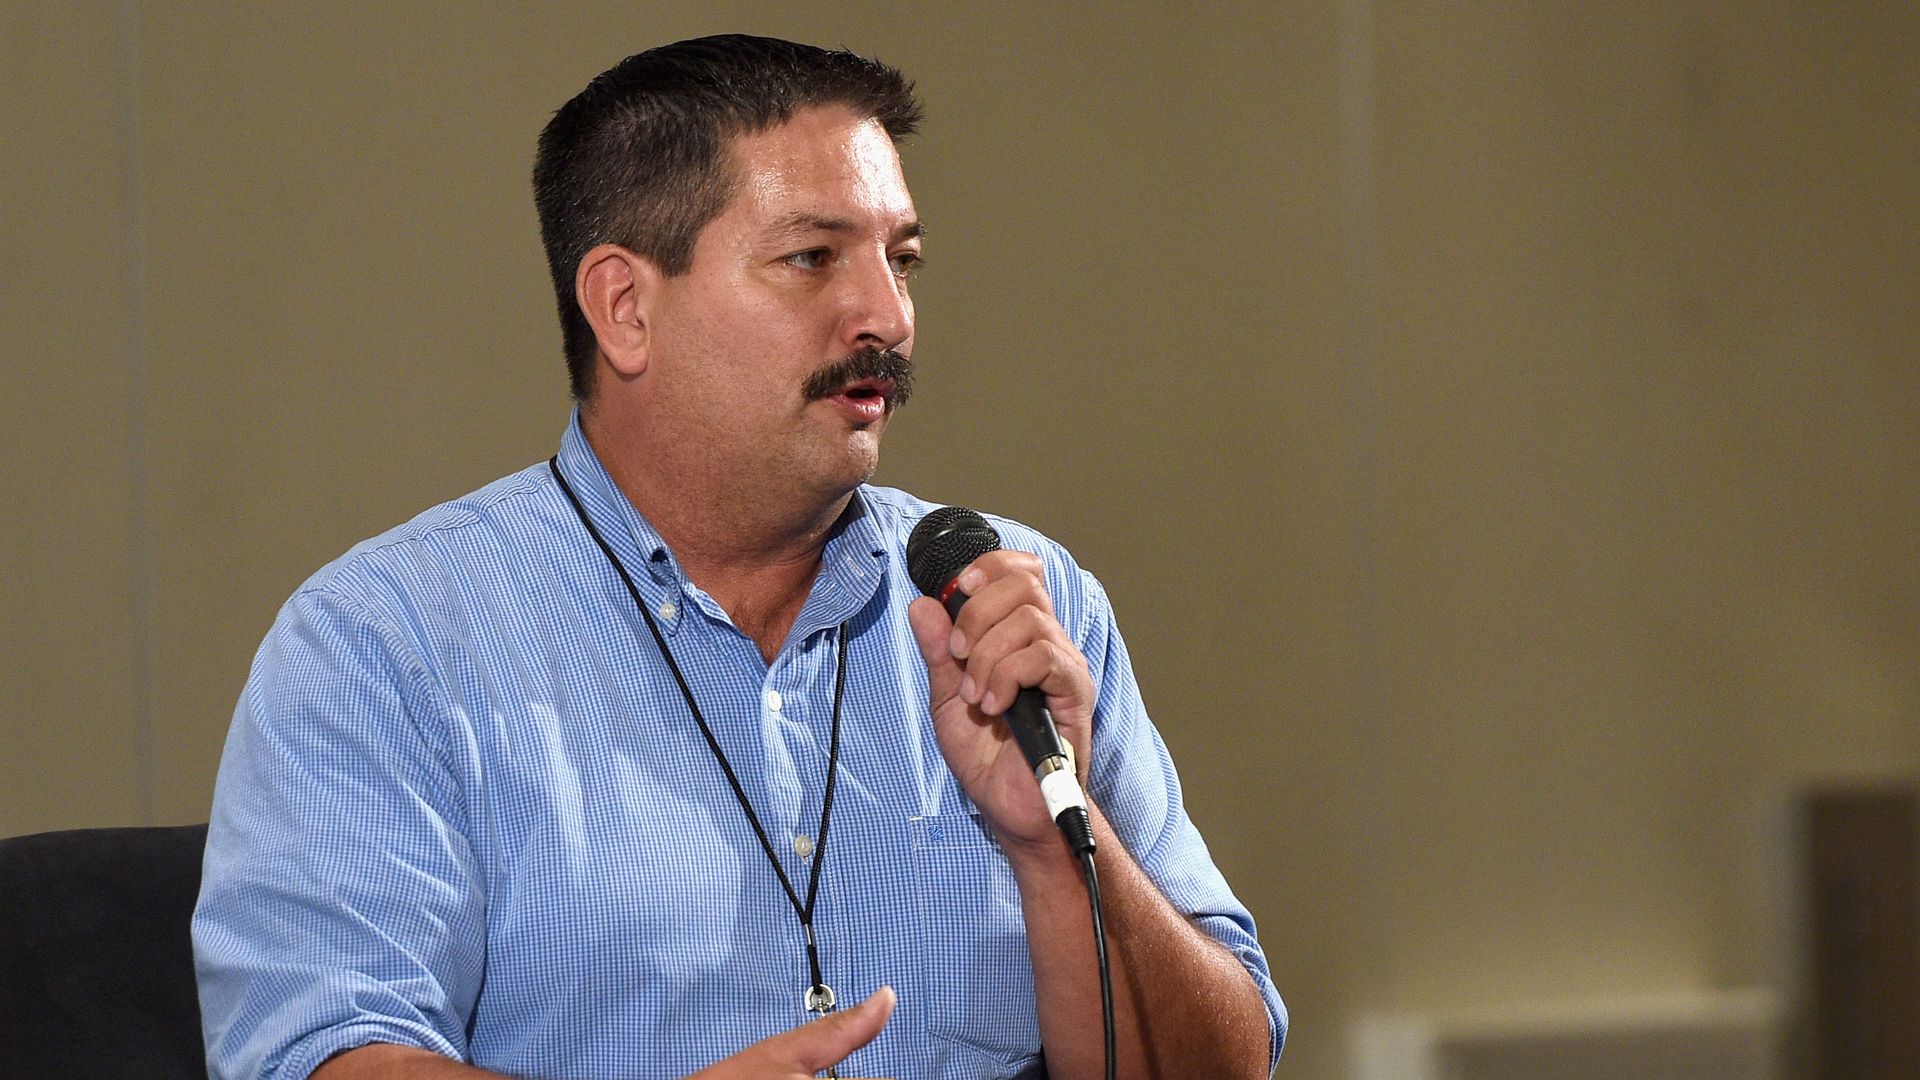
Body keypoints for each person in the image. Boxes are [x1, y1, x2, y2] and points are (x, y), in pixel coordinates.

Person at [193, 34, 1285, 1080]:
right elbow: (326, 1059)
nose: (886, 316)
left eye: (901, 259)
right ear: (626, 309)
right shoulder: (389, 643)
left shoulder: (1009, 604)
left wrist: (1057, 839)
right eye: (812, 259)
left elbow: (1228, 1066)